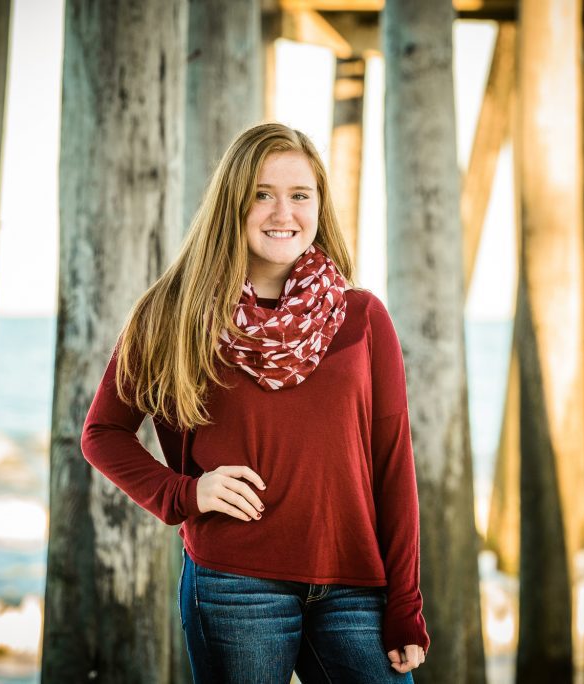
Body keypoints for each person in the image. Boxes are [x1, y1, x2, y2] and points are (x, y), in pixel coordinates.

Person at [81, 122, 429, 683]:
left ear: (319, 206)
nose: (281, 213)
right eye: (261, 195)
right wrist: (185, 492)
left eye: (300, 196)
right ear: (232, 204)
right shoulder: (174, 314)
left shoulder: (362, 317)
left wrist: (405, 604)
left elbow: (392, 465)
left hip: (355, 588)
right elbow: (102, 433)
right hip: (234, 585)